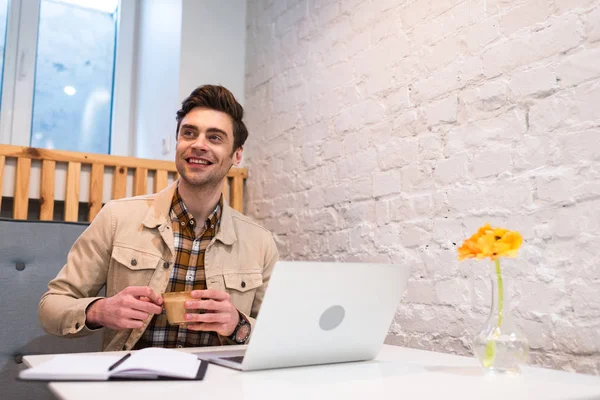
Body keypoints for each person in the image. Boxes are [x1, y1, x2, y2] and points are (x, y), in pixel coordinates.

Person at [39, 85, 279, 351]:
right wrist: (101, 310)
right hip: (132, 383)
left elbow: (282, 332)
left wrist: (238, 325)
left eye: (214, 138)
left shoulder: (260, 242)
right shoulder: (117, 217)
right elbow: (51, 307)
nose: (198, 144)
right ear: (178, 143)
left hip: (218, 385)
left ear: (237, 154)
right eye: (189, 133)